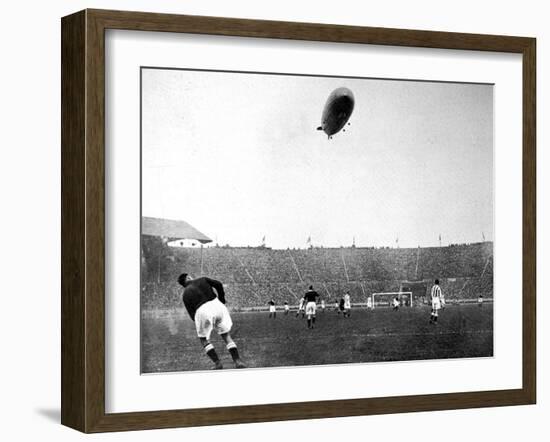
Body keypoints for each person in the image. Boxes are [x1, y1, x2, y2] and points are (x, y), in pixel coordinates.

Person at [177, 273, 245, 369]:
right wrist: (221, 299)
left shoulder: (185, 294)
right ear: (188, 277)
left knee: (204, 339)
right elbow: (218, 284)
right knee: (226, 335)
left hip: (202, 311)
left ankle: (218, 363)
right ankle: (238, 361)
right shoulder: (202, 279)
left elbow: (192, 315)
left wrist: (201, 323)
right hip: (217, 306)